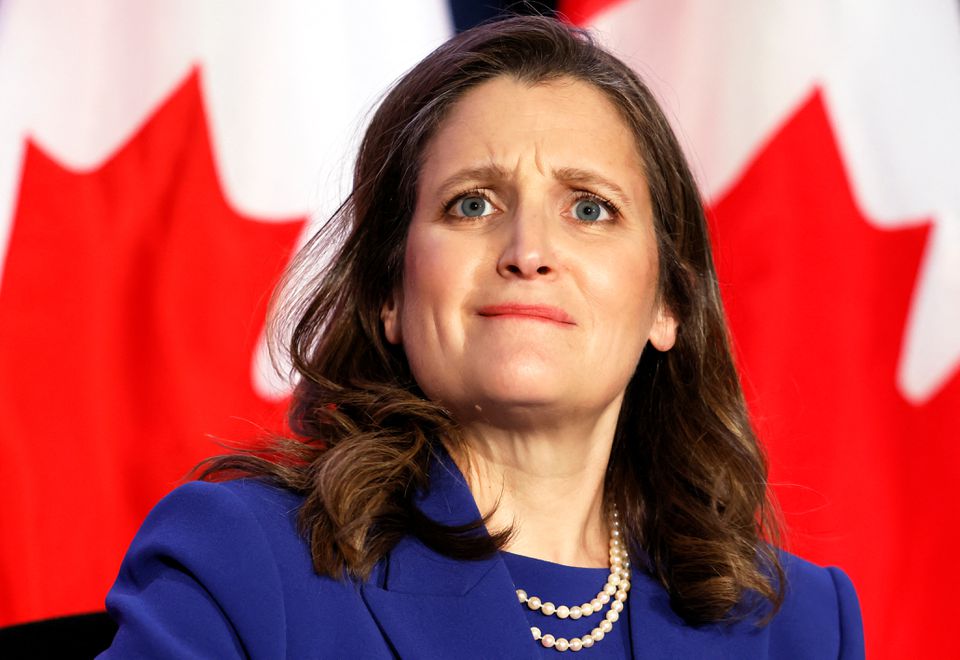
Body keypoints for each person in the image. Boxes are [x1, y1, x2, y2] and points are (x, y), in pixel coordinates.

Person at [99, 16, 864, 659]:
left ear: (667, 302)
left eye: (589, 209)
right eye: (471, 205)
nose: (527, 250)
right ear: (389, 292)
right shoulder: (241, 566)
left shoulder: (796, 627)